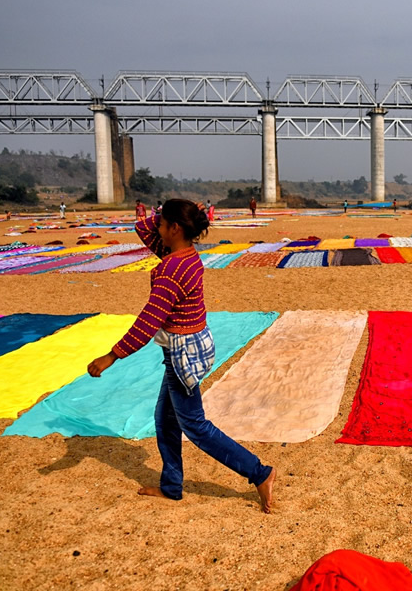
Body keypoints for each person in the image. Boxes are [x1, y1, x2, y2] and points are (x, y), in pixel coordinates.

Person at [87, 199, 276, 511]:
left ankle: (259, 473)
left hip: (182, 357)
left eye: (163, 224)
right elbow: (142, 228)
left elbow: (149, 321)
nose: (156, 229)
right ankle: (172, 486)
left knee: (195, 426)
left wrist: (111, 356)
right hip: (192, 347)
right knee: (165, 419)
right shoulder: (186, 256)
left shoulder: (170, 269)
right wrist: (170, 213)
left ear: (175, 228)